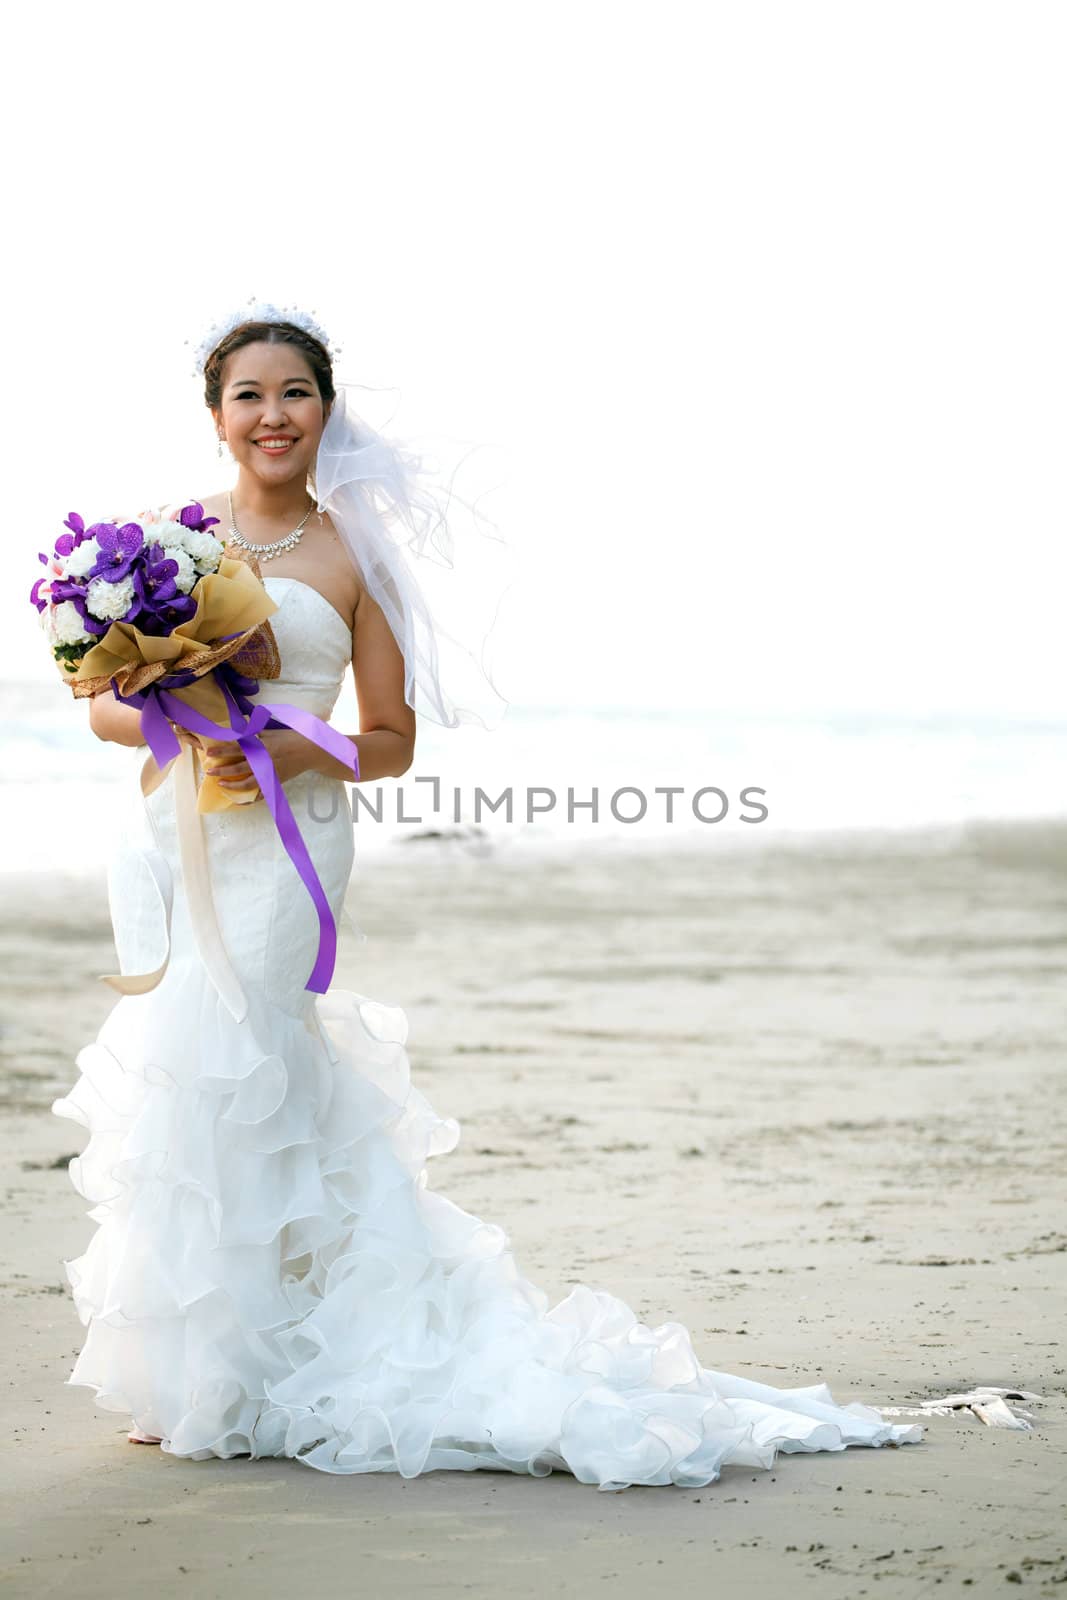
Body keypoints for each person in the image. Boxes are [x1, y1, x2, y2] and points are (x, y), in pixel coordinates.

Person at [51, 308, 924, 1490]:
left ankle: (254, 1366)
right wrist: (181, 714)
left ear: (325, 410)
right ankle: (205, 1364)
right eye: (249, 394)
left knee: (248, 1046)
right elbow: (100, 701)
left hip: (291, 841)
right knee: (179, 1057)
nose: (273, 414)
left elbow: (393, 741)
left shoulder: (358, 554)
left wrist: (292, 749)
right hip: (179, 831)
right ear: (216, 414)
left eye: (296, 392)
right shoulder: (159, 545)